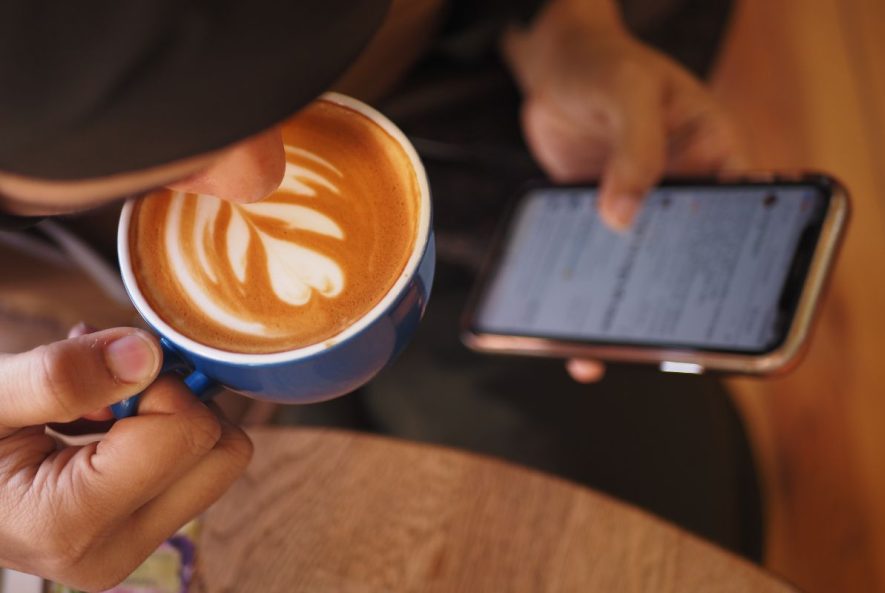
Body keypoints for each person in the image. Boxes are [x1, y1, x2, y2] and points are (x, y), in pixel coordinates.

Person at [0, 0, 743, 589]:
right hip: (67, 315)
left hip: (453, 152)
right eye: (145, 163)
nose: (260, 178)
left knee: (656, 510)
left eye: (277, 80)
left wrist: (561, 27)